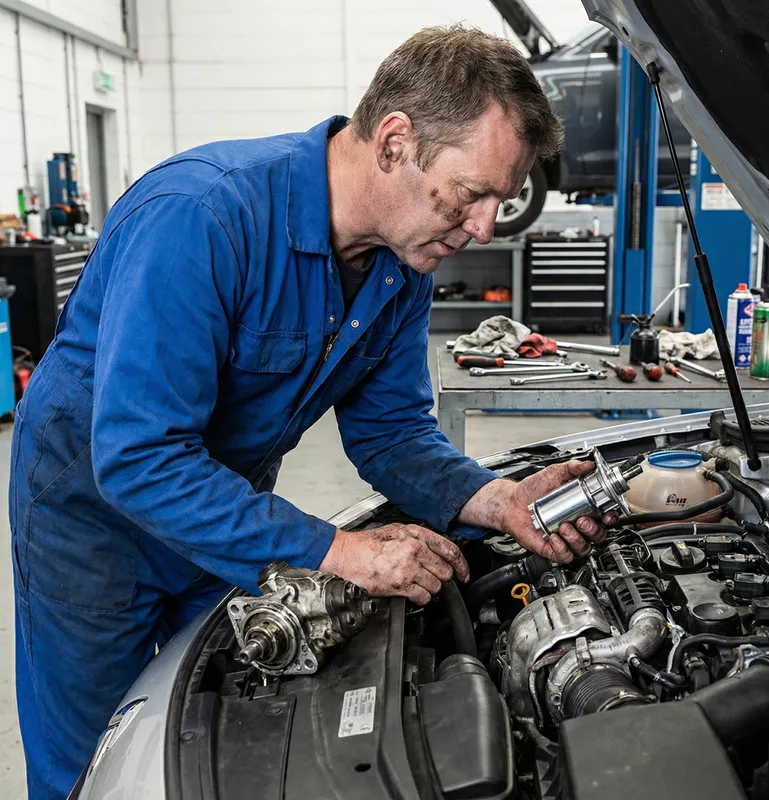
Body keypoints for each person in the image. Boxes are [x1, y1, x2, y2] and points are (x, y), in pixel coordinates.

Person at [10, 25, 609, 799]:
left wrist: (499, 500)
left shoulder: (401, 267)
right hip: (89, 522)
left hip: (220, 512)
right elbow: (138, 457)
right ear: (395, 142)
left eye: (501, 200)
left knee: (222, 727)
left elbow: (390, 433)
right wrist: (342, 552)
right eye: (471, 195)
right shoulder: (203, 217)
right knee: (95, 765)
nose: (486, 227)